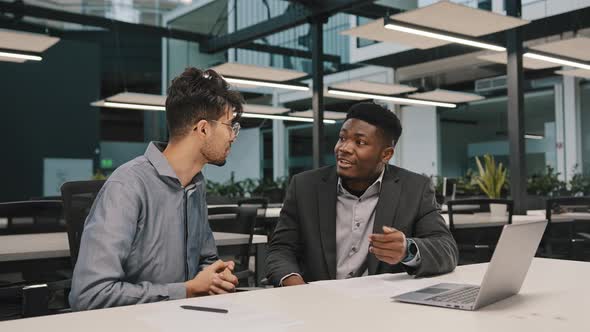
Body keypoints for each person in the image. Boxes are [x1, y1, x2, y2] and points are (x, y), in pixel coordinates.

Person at [70, 68, 244, 310]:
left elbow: (206, 259)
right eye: (229, 126)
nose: (233, 136)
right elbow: (90, 294)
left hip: (184, 319)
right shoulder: (128, 186)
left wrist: (215, 276)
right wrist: (187, 290)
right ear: (203, 128)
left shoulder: (195, 185)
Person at [266, 102, 458, 286]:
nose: (344, 148)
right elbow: (281, 250)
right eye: (342, 138)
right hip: (319, 304)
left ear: (386, 155)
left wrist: (407, 250)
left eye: (360, 142)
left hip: (384, 306)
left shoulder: (415, 188)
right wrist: (298, 287)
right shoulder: (304, 186)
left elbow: (446, 250)